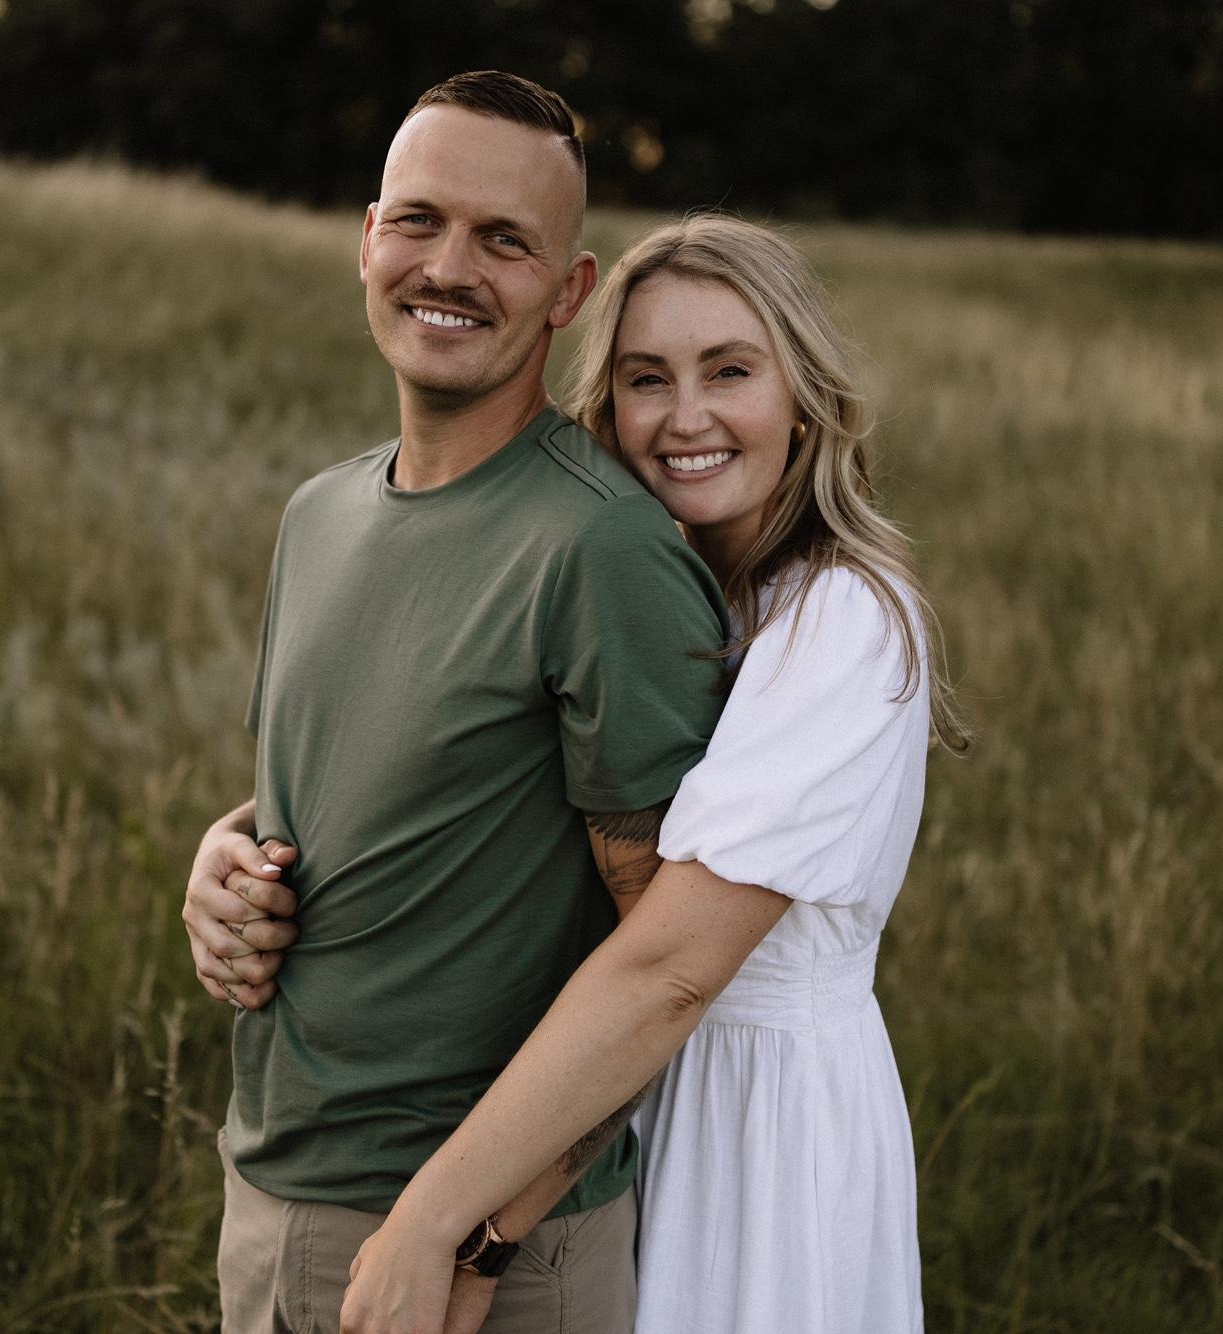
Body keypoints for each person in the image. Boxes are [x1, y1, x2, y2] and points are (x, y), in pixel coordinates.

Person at [337, 217, 971, 1334]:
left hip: (759, 1125)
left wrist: (456, 1231)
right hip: (614, 1089)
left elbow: (675, 967)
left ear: (804, 394)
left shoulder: (842, 620)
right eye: (646, 378)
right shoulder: (669, 594)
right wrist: (237, 845)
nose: (685, 417)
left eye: (729, 371)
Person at [180, 73, 732, 1333]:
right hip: (266, 1193)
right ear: (366, 239)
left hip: (473, 1258)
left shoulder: (600, 549)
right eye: (419, 221)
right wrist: (220, 863)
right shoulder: (319, 513)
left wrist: (473, 1236)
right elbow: (357, 785)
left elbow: (664, 959)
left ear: (568, 291)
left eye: (502, 240)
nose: (447, 268)